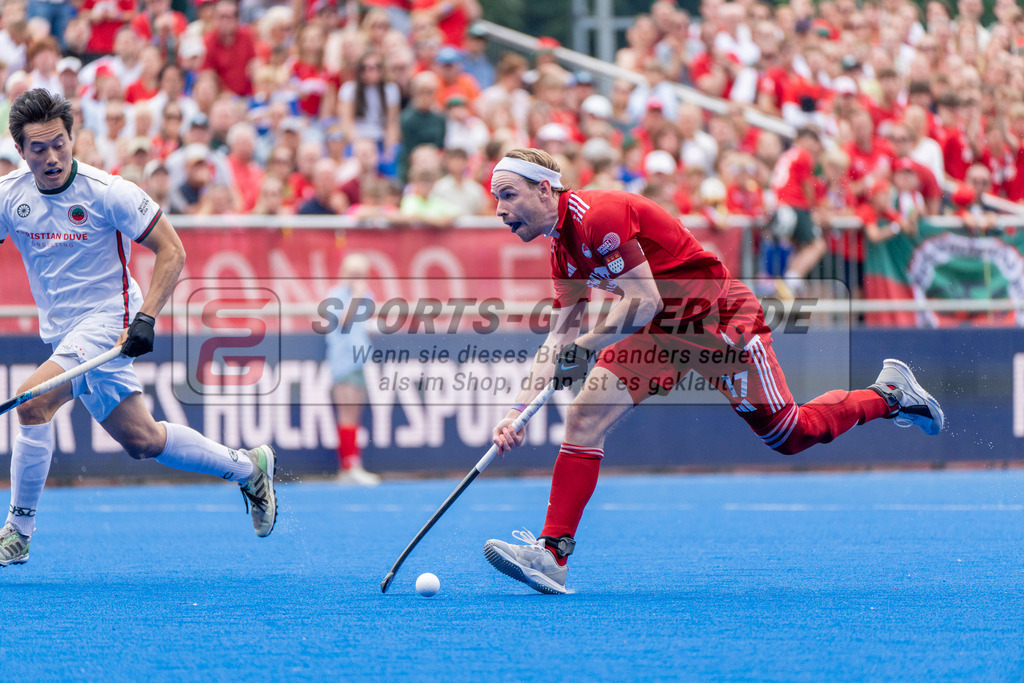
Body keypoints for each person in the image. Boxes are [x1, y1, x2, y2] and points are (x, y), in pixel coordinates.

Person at [481, 148, 945, 595]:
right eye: (495, 197)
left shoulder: (598, 215)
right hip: (660, 331)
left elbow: (643, 300)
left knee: (790, 434)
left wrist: (584, 347)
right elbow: (558, 340)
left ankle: (889, 395)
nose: (499, 209)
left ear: (544, 190)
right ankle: (553, 554)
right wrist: (517, 413)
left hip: (717, 319)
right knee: (584, 416)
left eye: (508, 194)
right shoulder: (561, 251)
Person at [0, 89, 277, 567]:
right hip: (63, 332)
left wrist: (145, 317)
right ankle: (249, 467)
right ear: (21, 151)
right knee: (143, 441)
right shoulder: (10, 196)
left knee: (32, 402)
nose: (52, 157)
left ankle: (18, 533)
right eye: (39, 148)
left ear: (72, 138)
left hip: (111, 321)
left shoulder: (109, 192)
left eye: (60, 143)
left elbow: (172, 250)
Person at [324, 253, 382, 486]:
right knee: (346, 413)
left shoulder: (365, 295)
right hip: (343, 361)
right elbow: (343, 321)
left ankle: (351, 464)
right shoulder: (336, 295)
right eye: (353, 274)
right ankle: (348, 466)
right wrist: (357, 296)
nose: (357, 279)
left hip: (359, 361)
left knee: (354, 415)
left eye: (361, 274)